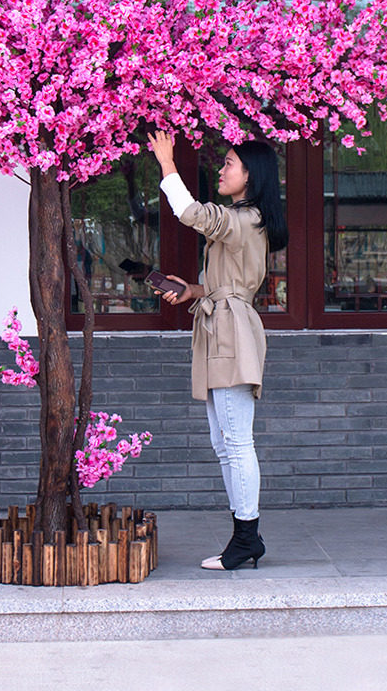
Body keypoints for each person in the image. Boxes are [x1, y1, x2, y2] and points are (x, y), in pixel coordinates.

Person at [147, 130, 288, 570]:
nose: (221, 170)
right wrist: (191, 290)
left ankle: (247, 538)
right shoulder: (243, 220)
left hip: (230, 332)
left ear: (251, 175)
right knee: (224, 441)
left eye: (229, 163)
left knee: (236, 441)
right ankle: (246, 536)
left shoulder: (245, 220)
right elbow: (223, 284)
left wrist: (167, 163)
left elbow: (191, 213)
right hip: (220, 326)